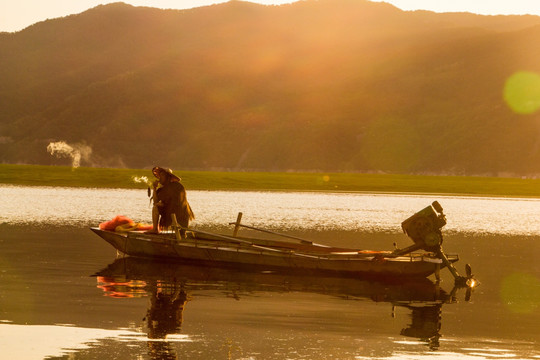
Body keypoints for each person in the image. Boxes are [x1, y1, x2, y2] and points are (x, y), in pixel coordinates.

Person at [148, 166, 194, 237]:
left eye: (162, 175)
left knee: (181, 234)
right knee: (155, 207)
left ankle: (182, 232)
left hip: (181, 214)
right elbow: (155, 201)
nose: (160, 177)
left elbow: (177, 202)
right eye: (160, 175)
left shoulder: (177, 186)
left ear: (168, 177)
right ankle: (155, 229)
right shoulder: (162, 189)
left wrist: (164, 204)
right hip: (171, 213)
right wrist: (154, 188)